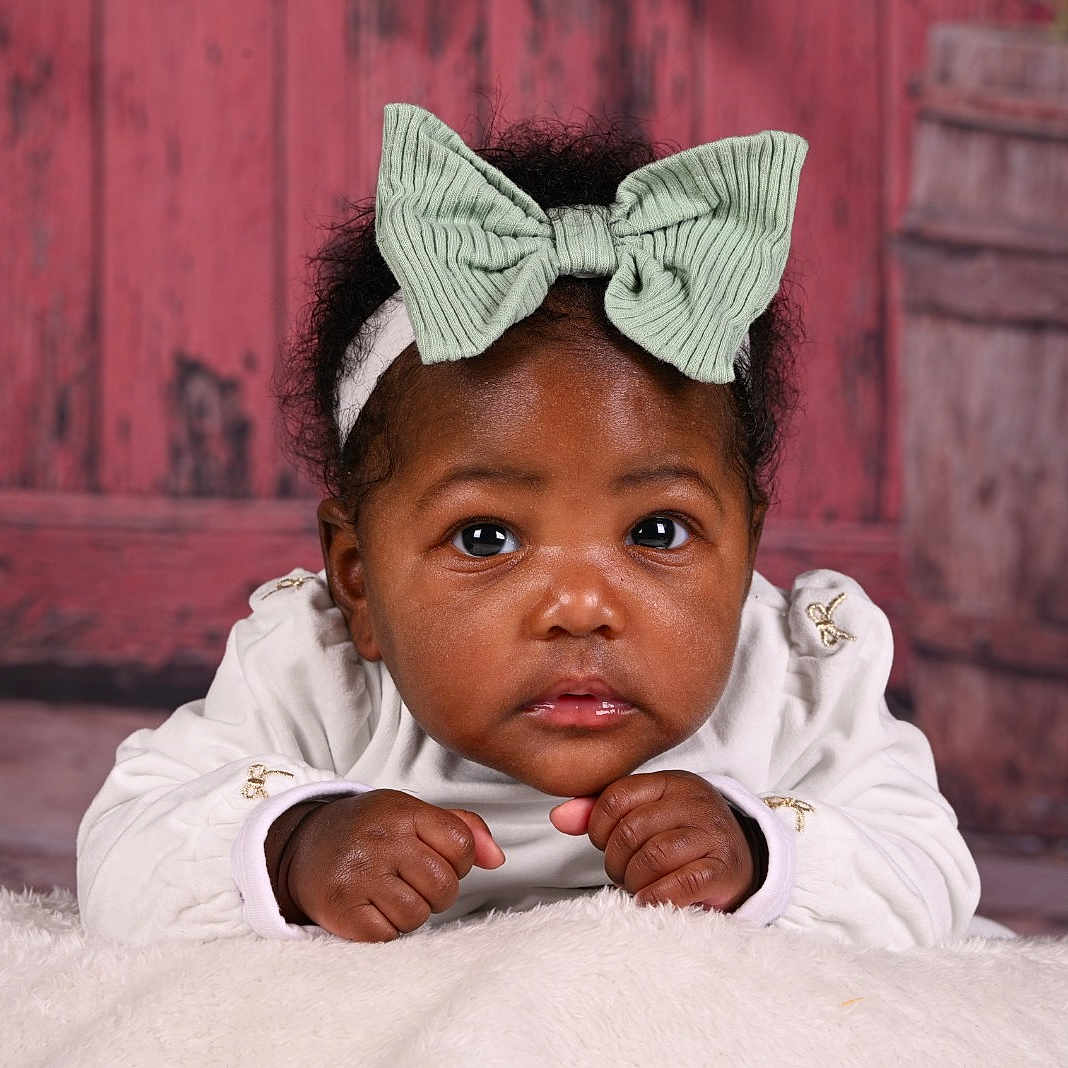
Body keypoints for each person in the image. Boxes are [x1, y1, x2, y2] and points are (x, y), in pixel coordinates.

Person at [77, 102, 982, 949]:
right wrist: (293, 847)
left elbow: (929, 875)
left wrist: (759, 855)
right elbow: (122, 852)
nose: (581, 607)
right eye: (486, 538)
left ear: (746, 554)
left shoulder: (791, 685)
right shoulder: (316, 679)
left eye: (658, 532)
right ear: (358, 579)